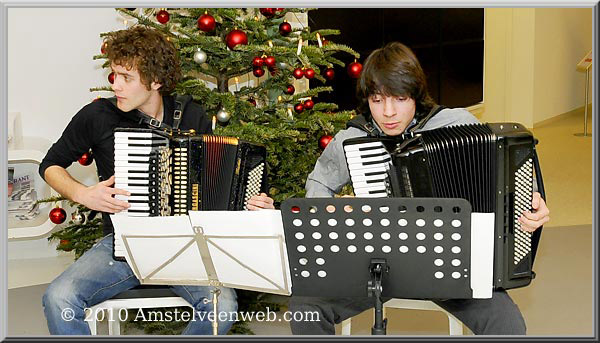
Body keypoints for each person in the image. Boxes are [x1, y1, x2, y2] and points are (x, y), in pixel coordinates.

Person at [289, 42, 550, 335]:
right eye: (377, 100)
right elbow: (318, 184)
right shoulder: (353, 139)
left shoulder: (455, 124)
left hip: (450, 268)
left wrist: (531, 204)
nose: (388, 112)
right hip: (379, 269)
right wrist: (335, 211)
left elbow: (507, 180)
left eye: (399, 98)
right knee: (305, 309)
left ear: (415, 94)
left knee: (507, 324)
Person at [39, 26, 275, 335]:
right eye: (114, 76)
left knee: (222, 306)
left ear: (156, 81)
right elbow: (50, 164)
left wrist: (251, 201)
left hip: (186, 246)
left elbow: (219, 181)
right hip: (124, 247)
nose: (117, 86)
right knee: (58, 298)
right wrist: (82, 194)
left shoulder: (191, 116)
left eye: (127, 78)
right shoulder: (98, 116)